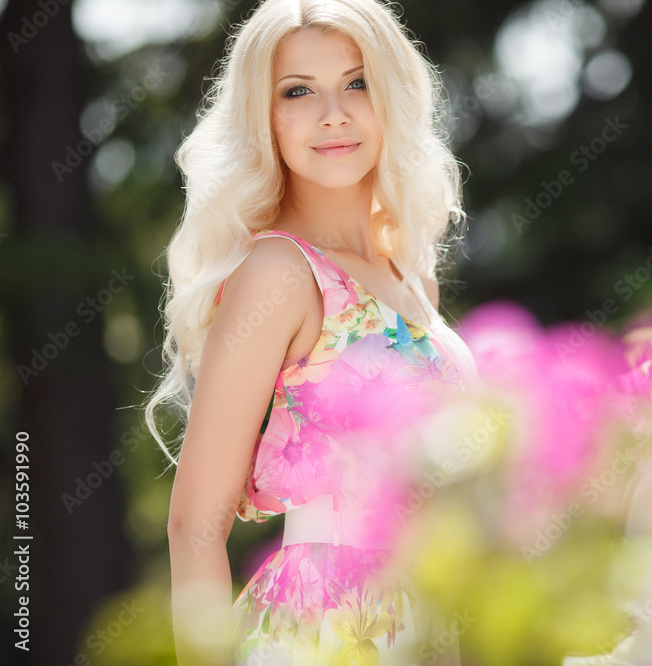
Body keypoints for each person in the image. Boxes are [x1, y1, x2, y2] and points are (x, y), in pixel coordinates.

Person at [143, 0, 477, 662]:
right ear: (263, 117)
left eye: (357, 82)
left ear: (392, 97)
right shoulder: (279, 273)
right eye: (298, 91)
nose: (334, 113)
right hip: (324, 630)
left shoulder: (411, 279)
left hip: (441, 623)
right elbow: (194, 527)